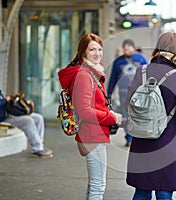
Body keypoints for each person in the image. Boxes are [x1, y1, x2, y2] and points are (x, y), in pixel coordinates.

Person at [124, 32, 176, 200]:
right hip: (167, 145)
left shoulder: (142, 71)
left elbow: (127, 105)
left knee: (141, 192)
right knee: (163, 193)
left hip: (141, 141)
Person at [58, 33, 122, 200]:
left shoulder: (91, 73)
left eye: (100, 49)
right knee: (98, 187)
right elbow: (85, 111)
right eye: (92, 49)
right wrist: (112, 117)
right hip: (92, 134)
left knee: (95, 184)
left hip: (93, 133)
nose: (97, 53)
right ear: (83, 52)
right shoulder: (85, 76)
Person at [107, 39, 148, 147]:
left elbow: (149, 72)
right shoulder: (118, 61)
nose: (127, 51)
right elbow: (113, 78)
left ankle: (137, 136)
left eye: (129, 48)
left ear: (133, 47)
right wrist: (109, 94)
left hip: (138, 92)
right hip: (123, 92)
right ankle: (129, 138)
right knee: (126, 115)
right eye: (125, 49)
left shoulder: (141, 58)